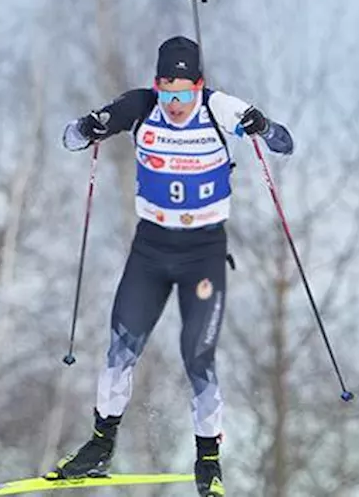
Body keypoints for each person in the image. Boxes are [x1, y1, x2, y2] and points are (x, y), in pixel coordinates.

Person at [46, 35, 294, 497]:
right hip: (151, 251)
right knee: (121, 348)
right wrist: (90, 126)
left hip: (202, 254)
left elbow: (285, 144)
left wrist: (261, 126)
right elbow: (70, 138)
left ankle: (208, 459)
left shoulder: (220, 109)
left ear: (199, 86)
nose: (175, 103)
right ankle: (100, 445)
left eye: (184, 93)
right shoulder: (140, 107)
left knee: (197, 355)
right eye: (167, 91)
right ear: (157, 85)